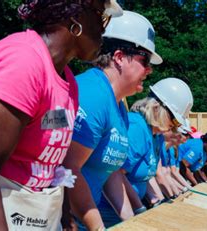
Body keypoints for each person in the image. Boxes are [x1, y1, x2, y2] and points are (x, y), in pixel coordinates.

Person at [0, 0, 123, 230]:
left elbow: (49, 145)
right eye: (100, 16)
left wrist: (65, 219)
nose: (104, 29)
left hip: (27, 219)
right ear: (76, 17)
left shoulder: (68, 82)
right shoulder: (22, 63)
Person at [62, 10, 160, 231]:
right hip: (65, 221)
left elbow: (111, 172)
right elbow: (67, 169)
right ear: (118, 57)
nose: (149, 70)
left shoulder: (119, 106)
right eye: (144, 60)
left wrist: (133, 220)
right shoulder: (93, 95)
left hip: (85, 220)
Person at [98, 77, 193, 227]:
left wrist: (158, 201)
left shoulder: (156, 135)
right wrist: (138, 209)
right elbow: (114, 174)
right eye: (173, 120)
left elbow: (146, 176)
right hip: (111, 213)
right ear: (157, 108)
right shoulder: (137, 128)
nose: (174, 127)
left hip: (129, 210)